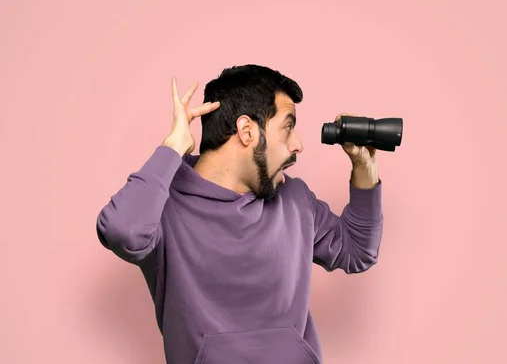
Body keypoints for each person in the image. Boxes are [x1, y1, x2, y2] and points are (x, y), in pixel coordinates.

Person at [96, 64, 384, 364]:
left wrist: (364, 166)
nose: (298, 145)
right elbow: (122, 231)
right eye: (288, 127)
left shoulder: (295, 199)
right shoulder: (163, 205)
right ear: (247, 131)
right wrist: (172, 147)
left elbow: (358, 251)